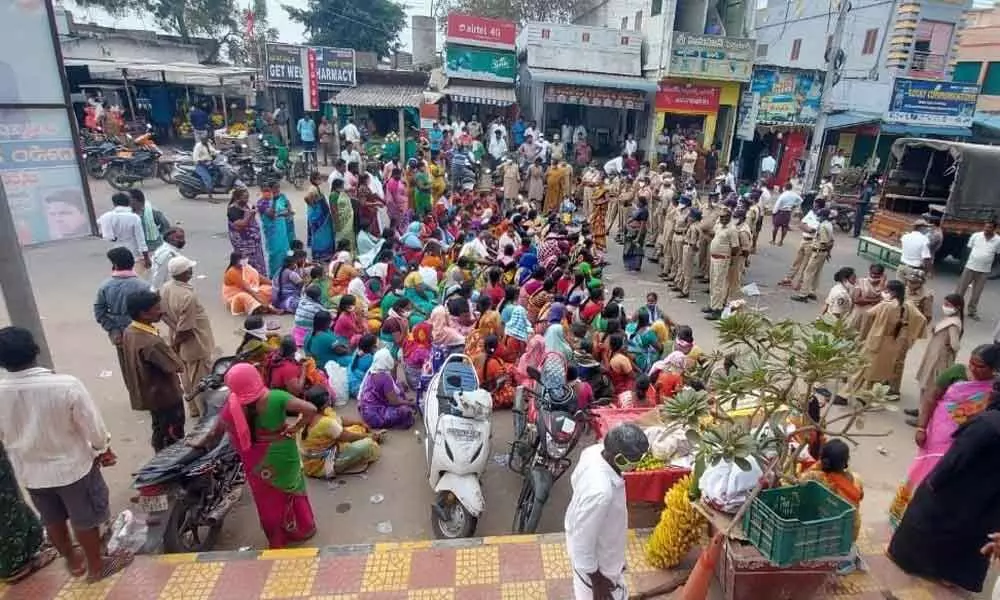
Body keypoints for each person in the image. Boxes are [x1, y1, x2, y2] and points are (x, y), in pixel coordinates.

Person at [0, 327, 125, 583]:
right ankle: (97, 567)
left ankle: (73, 561)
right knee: (84, 519)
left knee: (52, 519)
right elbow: (93, 426)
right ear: (35, 350)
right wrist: (102, 448)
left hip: (30, 470)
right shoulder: (65, 384)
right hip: (72, 467)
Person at [888, 364, 1000, 593]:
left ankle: (912, 562)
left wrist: (935, 481)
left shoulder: (987, 424)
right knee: (972, 536)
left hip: (960, 487)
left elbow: (957, 456)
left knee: (927, 520)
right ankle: (955, 576)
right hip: (989, 497)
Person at [191, 363, 317, 548]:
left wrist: (197, 443)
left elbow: (214, 434)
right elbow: (311, 409)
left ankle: (277, 539)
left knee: (266, 500)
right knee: (292, 488)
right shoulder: (276, 397)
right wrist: (295, 427)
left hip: (254, 458)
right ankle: (302, 529)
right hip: (282, 452)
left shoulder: (230, 408)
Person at [565, 423, 649, 600]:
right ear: (618, 458)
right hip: (597, 572)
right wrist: (598, 583)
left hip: (605, 556)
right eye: (636, 458)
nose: (639, 461)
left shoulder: (594, 453)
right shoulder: (601, 493)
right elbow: (582, 543)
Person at [121, 290, 186, 451]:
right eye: (156, 308)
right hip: (165, 396)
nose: (161, 311)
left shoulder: (130, 331)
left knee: (159, 428)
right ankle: (171, 468)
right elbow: (177, 365)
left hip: (150, 394)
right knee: (172, 435)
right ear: (143, 313)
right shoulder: (151, 342)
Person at [850, 280, 927, 401]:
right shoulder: (908, 305)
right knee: (878, 371)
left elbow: (868, 315)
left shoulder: (886, 305)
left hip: (877, 340)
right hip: (893, 342)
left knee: (862, 368)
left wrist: (863, 335)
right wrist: (908, 334)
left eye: (887, 290)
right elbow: (921, 319)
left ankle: (845, 394)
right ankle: (867, 396)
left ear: (892, 292)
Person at [160, 256, 215, 418]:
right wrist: (176, 343)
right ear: (185, 273)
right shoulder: (187, 296)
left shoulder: (166, 288)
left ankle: (194, 409)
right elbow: (187, 329)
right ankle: (205, 413)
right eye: (189, 269)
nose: (191, 271)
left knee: (186, 377)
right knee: (200, 379)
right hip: (194, 343)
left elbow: (162, 313)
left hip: (177, 337)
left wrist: (174, 332)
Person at [800, 439, 864, 573]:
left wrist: (818, 465)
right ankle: (849, 555)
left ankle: (847, 560)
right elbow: (861, 496)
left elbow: (800, 480)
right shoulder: (854, 479)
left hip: (831, 529)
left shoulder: (818, 478)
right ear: (846, 462)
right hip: (851, 530)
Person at [94, 246, 156, 379]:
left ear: (115, 265)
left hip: (120, 336)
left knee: (129, 372)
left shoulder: (105, 286)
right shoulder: (143, 286)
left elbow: (99, 312)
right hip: (143, 333)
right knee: (148, 371)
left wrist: (113, 329)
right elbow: (154, 311)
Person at [299, 387, 381, 478]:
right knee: (368, 444)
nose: (330, 401)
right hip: (320, 465)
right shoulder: (325, 423)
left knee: (357, 428)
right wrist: (369, 436)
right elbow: (348, 437)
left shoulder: (304, 414)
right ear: (323, 405)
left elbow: (339, 420)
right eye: (328, 400)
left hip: (311, 458)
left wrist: (359, 422)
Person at [909, 293, 965, 426]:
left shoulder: (953, 324)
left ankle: (923, 417)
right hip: (933, 355)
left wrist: (947, 348)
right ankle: (920, 409)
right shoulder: (949, 319)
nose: (945, 307)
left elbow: (955, 345)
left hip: (939, 360)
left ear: (957, 308)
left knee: (930, 387)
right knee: (925, 385)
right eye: (945, 304)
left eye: (948, 305)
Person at [358, 348, 415, 429]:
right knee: (405, 411)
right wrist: (409, 403)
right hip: (374, 416)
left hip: (365, 410)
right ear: (386, 360)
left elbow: (393, 384)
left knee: (399, 388)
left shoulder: (372, 371)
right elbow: (394, 401)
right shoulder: (385, 377)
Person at [956, 221, 1000, 320]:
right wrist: (966, 263)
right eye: (985, 227)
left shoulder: (998, 240)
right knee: (960, 290)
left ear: (994, 229)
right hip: (970, 267)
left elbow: (997, 255)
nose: (986, 229)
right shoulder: (976, 236)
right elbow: (968, 250)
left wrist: (989, 264)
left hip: (984, 271)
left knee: (977, 293)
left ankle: (972, 311)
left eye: (989, 228)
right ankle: (955, 309)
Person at [97, 192, 149, 272]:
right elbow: (141, 239)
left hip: (118, 253)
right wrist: (146, 258)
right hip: (134, 253)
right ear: (128, 202)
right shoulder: (134, 217)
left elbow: (102, 232)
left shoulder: (107, 217)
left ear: (114, 203)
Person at [792, 208, 836, 302]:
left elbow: (824, 242)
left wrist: (821, 249)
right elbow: (832, 241)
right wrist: (828, 252)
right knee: (817, 272)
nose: (818, 218)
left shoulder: (823, 226)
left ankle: (803, 294)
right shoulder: (829, 225)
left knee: (808, 272)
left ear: (823, 216)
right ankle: (812, 291)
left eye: (819, 216)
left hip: (818, 251)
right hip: (823, 252)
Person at [704, 208, 735, 320]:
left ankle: (717, 309)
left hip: (722, 259)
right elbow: (713, 234)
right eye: (720, 217)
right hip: (714, 258)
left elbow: (735, 247)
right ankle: (713, 305)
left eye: (724, 217)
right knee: (713, 283)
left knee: (718, 285)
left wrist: (731, 261)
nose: (721, 218)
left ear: (729, 217)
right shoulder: (719, 226)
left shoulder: (732, 230)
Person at [258, 183, 293, 279]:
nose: (267, 193)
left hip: (282, 229)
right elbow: (272, 215)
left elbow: (288, 211)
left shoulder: (280, 198)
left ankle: (285, 273)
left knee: (285, 250)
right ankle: (274, 276)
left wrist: (281, 213)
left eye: (268, 190)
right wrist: (275, 203)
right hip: (272, 232)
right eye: (265, 191)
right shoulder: (261, 203)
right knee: (274, 253)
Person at [222, 251, 274, 315]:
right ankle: (265, 308)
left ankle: (262, 306)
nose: (246, 259)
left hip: (252, 291)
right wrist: (262, 302)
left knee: (270, 289)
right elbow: (247, 289)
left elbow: (258, 277)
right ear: (237, 260)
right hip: (236, 297)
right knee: (245, 297)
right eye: (244, 258)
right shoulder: (232, 272)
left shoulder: (246, 267)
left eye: (246, 257)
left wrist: (274, 284)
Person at [304, 172, 335, 262]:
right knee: (318, 235)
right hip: (317, 216)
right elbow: (307, 199)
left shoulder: (317, 188)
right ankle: (319, 255)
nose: (320, 179)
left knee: (324, 234)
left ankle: (325, 253)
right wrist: (314, 205)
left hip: (322, 215)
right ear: (314, 180)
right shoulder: (312, 189)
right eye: (318, 178)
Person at [129, 189, 168, 254]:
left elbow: (165, 226)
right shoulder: (128, 213)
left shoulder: (152, 212)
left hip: (154, 247)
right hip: (136, 248)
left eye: (128, 200)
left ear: (135, 200)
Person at [622, 196, 649, 272]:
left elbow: (642, 225)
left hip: (637, 232)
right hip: (631, 231)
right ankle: (631, 264)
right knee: (630, 248)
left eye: (638, 201)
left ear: (641, 203)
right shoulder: (639, 209)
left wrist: (638, 237)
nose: (636, 203)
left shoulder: (644, 211)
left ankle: (637, 265)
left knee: (637, 249)